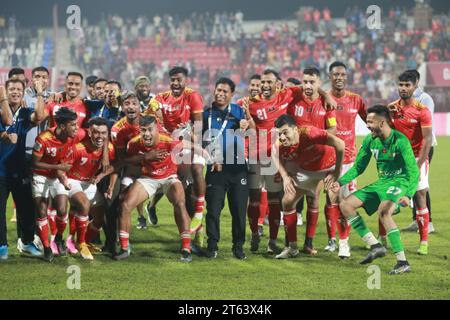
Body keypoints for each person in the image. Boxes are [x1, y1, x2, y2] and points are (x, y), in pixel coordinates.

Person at [331, 105, 419, 275]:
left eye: (370, 122)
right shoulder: (370, 140)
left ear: (382, 123)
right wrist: (339, 182)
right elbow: (358, 167)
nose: (367, 124)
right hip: (381, 183)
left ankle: (402, 261)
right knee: (346, 205)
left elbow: (413, 171)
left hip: (400, 182)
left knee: (384, 211)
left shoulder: (400, 141)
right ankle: (376, 246)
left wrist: (408, 194)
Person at [115, 115, 193, 262]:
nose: (147, 134)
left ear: (156, 128)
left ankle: (186, 248)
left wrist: (207, 154)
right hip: (148, 179)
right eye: (143, 130)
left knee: (180, 203)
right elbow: (124, 161)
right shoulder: (134, 143)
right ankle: (125, 248)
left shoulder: (168, 141)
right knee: (125, 205)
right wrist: (145, 157)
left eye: (150, 130)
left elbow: (189, 146)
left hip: (169, 177)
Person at [145, 66, 206, 246]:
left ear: (186, 80)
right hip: (169, 146)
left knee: (192, 181)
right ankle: (153, 206)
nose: (175, 83)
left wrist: (191, 137)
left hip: (189, 145)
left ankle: (197, 229)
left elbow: (199, 126)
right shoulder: (160, 99)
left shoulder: (193, 96)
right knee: (171, 185)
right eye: (172, 79)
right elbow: (150, 120)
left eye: (179, 79)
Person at [271, 114, 344, 259]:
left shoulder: (310, 133)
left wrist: (336, 171)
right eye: (279, 134)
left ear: (295, 129)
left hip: (327, 167)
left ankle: (343, 244)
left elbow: (340, 144)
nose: (282, 137)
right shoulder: (280, 143)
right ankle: (292, 247)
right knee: (287, 201)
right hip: (307, 170)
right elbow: (274, 154)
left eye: (285, 132)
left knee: (335, 199)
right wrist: (285, 176)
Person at [287, 67, 337, 255]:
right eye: (305, 81)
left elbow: (333, 131)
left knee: (313, 200)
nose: (308, 85)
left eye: (312, 82)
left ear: (319, 83)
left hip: (317, 160)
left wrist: (314, 138)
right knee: (288, 199)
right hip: (294, 159)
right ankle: (288, 242)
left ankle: (308, 243)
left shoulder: (327, 105)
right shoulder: (294, 96)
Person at [203, 77, 254, 259]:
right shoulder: (206, 114)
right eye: (218, 90)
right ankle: (212, 246)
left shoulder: (239, 111)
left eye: (225, 91)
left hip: (238, 167)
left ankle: (238, 247)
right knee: (214, 210)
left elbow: (252, 133)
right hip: (216, 169)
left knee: (239, 210)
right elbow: (201, 141)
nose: (220, 94)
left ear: (232, 95)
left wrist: (247, 121)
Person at [55, 117, 115, 260]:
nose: (99, 136)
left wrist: (102, 176)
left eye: (103, 133)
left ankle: (82, 241)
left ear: (107, 134)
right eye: (96, 132)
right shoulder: (77, 148)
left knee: (100, 219)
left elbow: (115, 167)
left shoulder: (110, 149)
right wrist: (63, 181)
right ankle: (80, 243)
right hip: (72, 180)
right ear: (89, 132)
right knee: (84, 204)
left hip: (89, 182)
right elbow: (62, 166)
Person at [0, 78, 46, 260]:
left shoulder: (26, 112)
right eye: (12, 89)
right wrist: (4, 136)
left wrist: (40, 92)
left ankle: (26, 243)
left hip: (20, 169)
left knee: (27, 208)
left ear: (23, 92)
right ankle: (2, 246)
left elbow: (40, 116)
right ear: (6, 92)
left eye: (19, 89)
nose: (15, 92)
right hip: (0, 171)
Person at [389, 71, 433, 255]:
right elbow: (389, 133)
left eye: (407, 85)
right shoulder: (391, 108)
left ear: (415, 87)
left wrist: (418, 164)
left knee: (420, 196)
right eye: (401, 84)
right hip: (397, 158)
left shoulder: (422, 110)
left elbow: (427, 140)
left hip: (417, 158)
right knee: (387, 194)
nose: (403, 88)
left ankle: (423, 242)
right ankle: (384, 240)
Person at [328, 61, 367, 258]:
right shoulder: (323, 99)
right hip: (327, 160)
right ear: (330, 76)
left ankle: (344, 242)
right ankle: (332, 239)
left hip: (348, 162)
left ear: (347, 77)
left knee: (346, 203)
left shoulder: (356, 100)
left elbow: (372, 123)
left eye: (342, 74)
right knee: (332, 201)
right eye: (336, 74)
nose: (339, 78)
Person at [31, 107, 78, 262]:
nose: (76, 128)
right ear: (63, 126)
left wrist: (64, 180)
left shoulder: (71, 139)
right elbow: (35, 163)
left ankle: (58, 238)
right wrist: (58, 168)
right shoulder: (43, 139)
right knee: (42, 210)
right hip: (40, 175)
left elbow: (62, 164)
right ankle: (46, 248)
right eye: (73, 125)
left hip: (57, 176)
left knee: (63, 209)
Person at [401, 70, 436, 234]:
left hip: (424, 147)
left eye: (409, 84)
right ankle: (416, 219)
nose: (405, 87)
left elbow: (425, 124)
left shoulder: (425, 99)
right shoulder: (403, 100)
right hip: (409, 149)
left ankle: (429, 223)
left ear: (416, 83)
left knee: (421, 185)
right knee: (413, 186)